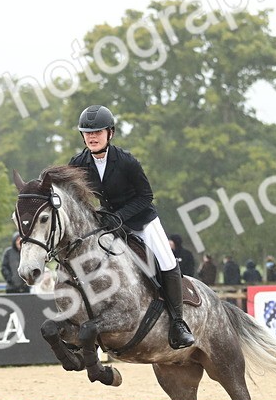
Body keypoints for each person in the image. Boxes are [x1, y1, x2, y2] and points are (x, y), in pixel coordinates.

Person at [67, 104, 194, 349]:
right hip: (108, 224)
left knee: (166, 261)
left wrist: (121, 216)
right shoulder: (78, 163)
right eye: (87, 132)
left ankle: (178, 323)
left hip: (140, 220)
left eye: (98, 132)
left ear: (110, 133)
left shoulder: (126, 162)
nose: (92, 137)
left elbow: (146, 196)